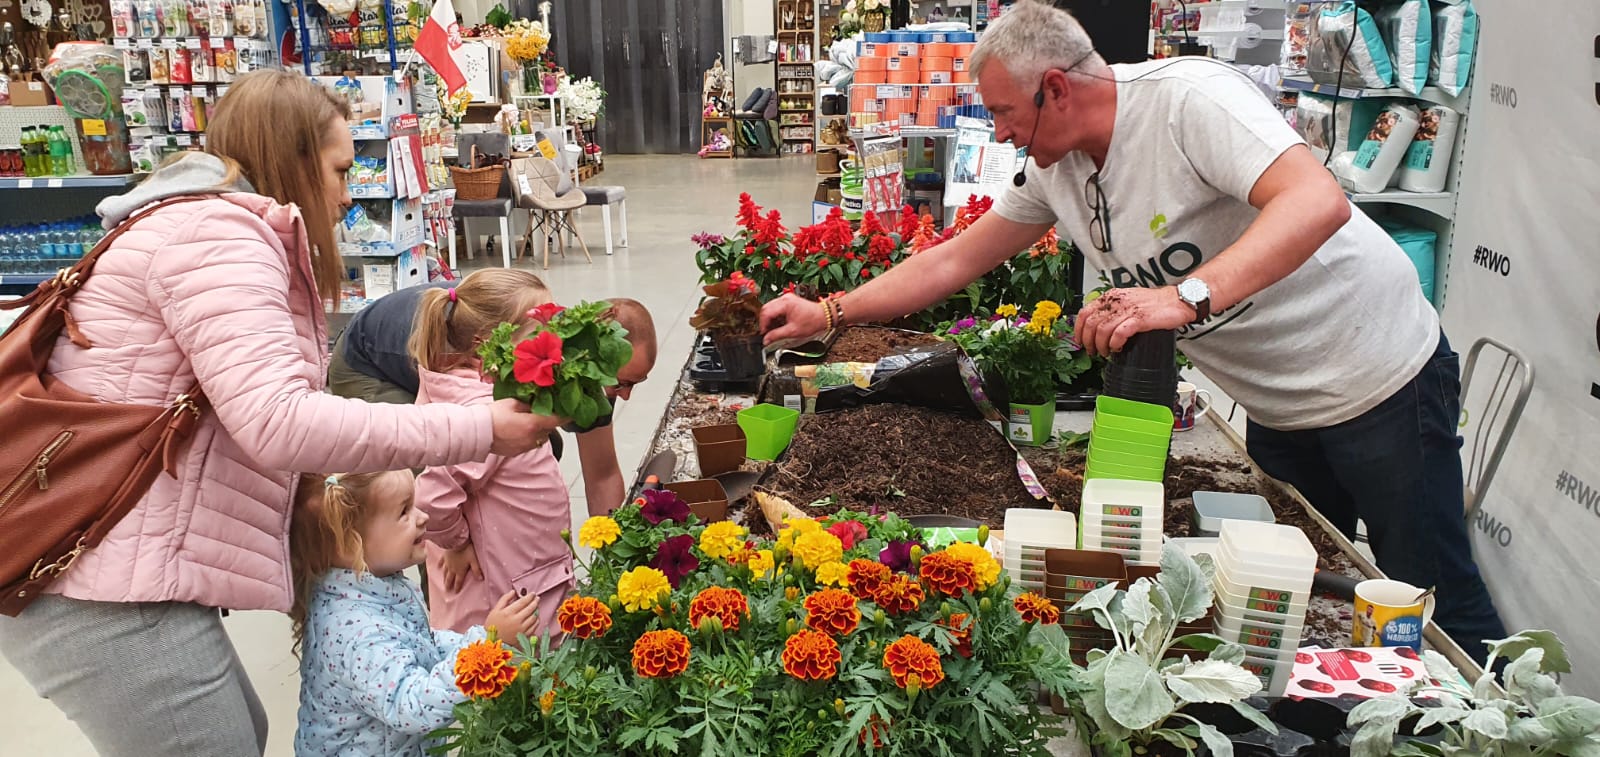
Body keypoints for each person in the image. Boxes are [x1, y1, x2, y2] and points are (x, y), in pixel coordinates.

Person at [760, 0, 1504, 661]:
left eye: (1004, 113)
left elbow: (1317, 203)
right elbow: (954, 259)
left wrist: (1183, 297)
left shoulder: (1187, 102)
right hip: (1277, 405)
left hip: (1377, 378)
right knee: (1298, 604)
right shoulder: (1056, 170)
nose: (999, 132)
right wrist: (829, 313)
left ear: (1055, 88)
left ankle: (1513, 724)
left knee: (1430, 600)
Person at [0, 69, 562, 756]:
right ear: (292, 159)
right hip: (95, 579)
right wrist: (481, 428)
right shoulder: (218, 238)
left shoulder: (204, 229)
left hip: (107, 561)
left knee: (243, 732)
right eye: (336, 168)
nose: (345, 192)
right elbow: (278, 421)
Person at [330, 285, 659, 517]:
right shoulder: (484, 359)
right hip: (370, 363)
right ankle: (447, 603)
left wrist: (612, 554)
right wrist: (456, 546)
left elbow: (602, 474)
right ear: (595, 358)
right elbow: (441, 463)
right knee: (423, 489)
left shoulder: (585, 371)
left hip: (432, 351)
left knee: (537, 447)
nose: (626, 395)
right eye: (623, 382)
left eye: (636, 384)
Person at [289, 471, 541, 756]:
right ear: (350, 543)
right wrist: (485, 646)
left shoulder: (373, 588)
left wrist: (481, 642)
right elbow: (413, 705)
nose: (422, 517)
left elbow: (419, 642)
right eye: (404, 512)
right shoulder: (358, 633)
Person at [406, 271, 575, 636]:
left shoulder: (463, 393)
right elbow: (431, 498)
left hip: (516, 574)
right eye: (537, 334)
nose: (551, 342)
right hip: (507, 590)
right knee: (510, 679)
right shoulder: (485, 414)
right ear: (488, 345)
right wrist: (457, 543)